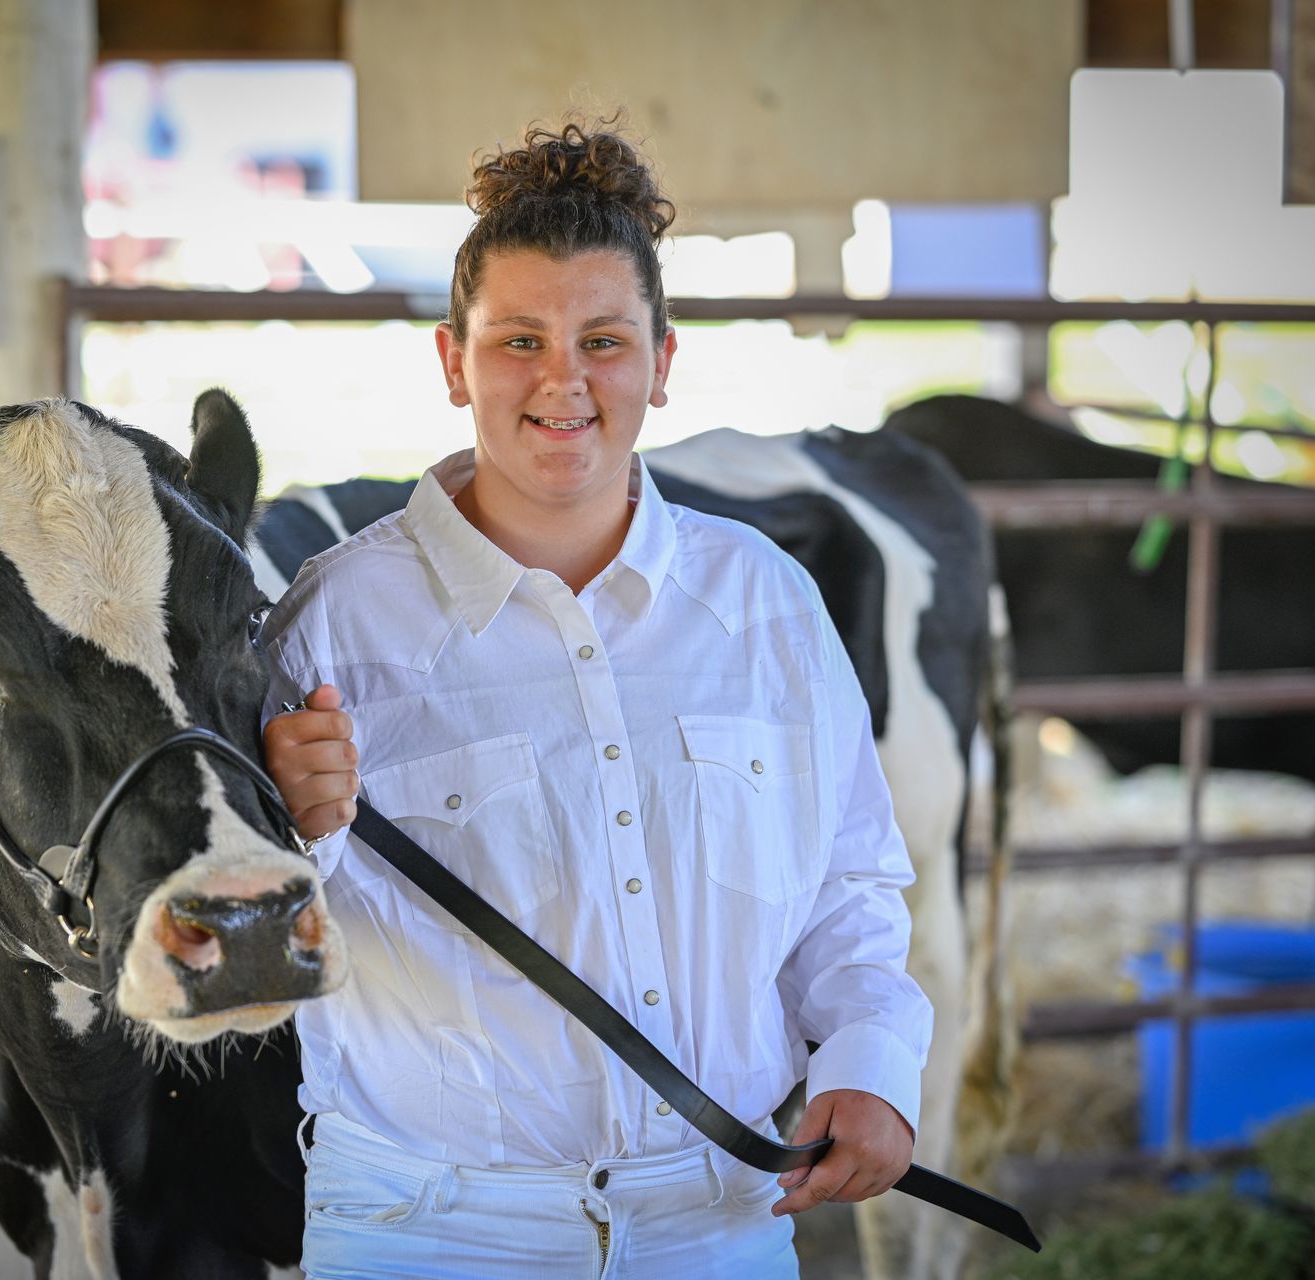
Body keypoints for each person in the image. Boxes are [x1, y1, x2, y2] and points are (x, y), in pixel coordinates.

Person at [259, 118, 931, 1279]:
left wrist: (869, 1060)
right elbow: (245, 947)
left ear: (664, 362)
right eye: (518, 338)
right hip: (428, 1229)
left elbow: (850, 879)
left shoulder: (766, 605)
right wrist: (286, 834)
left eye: (604, 339)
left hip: (722, 1220)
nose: (563, 378)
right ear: (451, 361)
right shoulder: (334, 625)